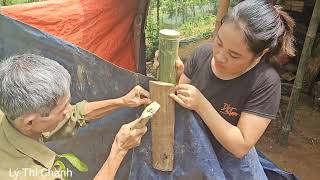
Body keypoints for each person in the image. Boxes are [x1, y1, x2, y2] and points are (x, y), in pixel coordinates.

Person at [169, 0, 295, 179]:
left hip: (232, 166)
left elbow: (240, 146)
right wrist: (174, 76)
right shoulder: (202, 54)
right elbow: (177, 102)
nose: (220, 56)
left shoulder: (265, 82)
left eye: (234, 55)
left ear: (261, 53)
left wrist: (202, 105)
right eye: (218, 43)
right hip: (191, 150)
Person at [0, 54, 151, 180]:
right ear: (30, 122)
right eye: (62, 110)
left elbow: (76, 114)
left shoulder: (13, 117)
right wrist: (120, 149)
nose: (69, 110)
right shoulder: (31, 175)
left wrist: (121, 101)